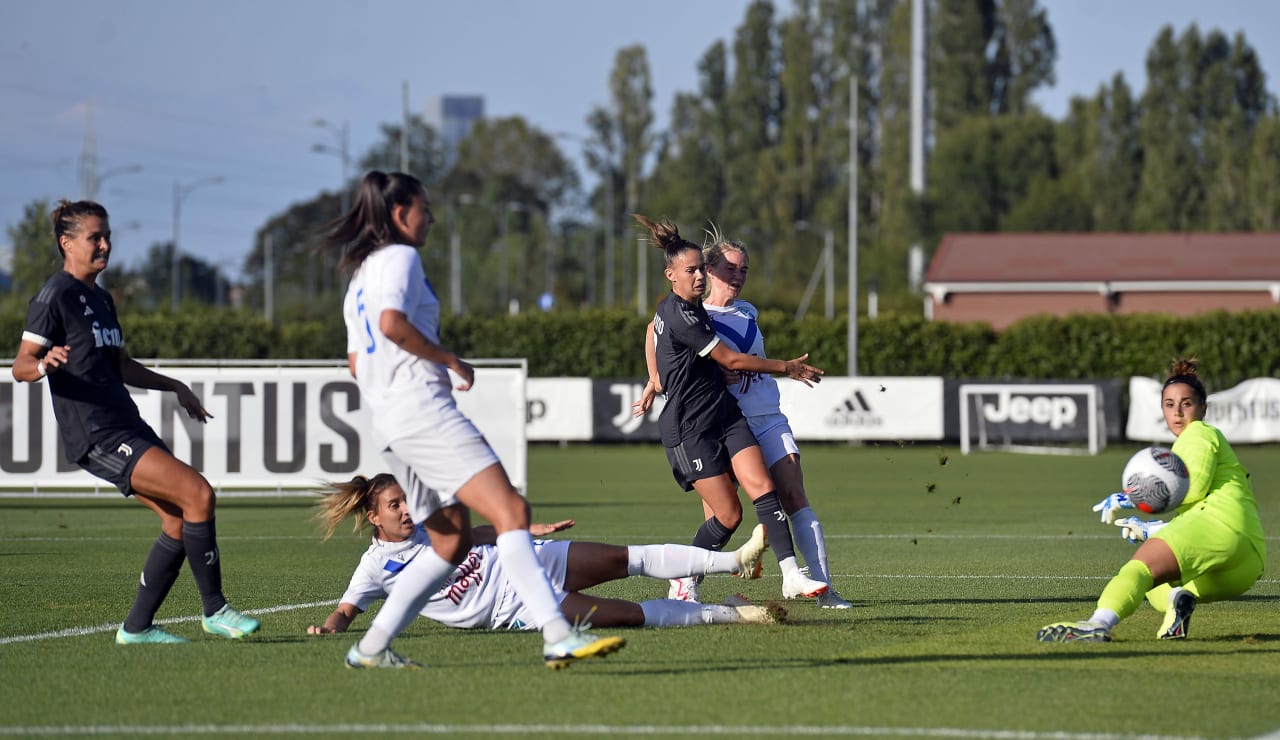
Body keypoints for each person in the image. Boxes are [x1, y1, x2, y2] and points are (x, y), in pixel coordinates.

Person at [330, 171, 623, 670]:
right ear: (401, 214)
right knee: (511, 512)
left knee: (449, 542)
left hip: (389, 424)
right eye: (425, 207)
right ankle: (557, 635)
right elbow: (392, 325)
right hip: (422, 411)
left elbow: (358, 362)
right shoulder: (401, 257)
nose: (432, 217)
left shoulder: (359, 277)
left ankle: (372, 647)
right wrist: (449, 360)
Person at [11, 199, 260, 645]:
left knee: (178, 521)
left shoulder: (102, 298)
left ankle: (137, 627)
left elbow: (121, 365)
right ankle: (215, 610)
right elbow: (21, 366)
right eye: (95, 237)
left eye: (107, 235)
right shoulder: (54, 296)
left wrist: (175, 386)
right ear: (67, 243)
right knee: (198, 493)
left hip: (125, 422)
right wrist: (44, 363)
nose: (105, 244)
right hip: (95, 432)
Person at [630, 213, 830, 606]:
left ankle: (797, 577)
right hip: (694, 424)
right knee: (726, 515)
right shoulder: (685, 312)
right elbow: (663, 337)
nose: (736, 275)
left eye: (745, 270)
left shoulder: (736, 311)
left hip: (741, 416)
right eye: (727, 268)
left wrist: (660, 379)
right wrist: (657, 380)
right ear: (687, 272)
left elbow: (714, 356)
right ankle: (686, 578)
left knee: (775, 491)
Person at [305, 474, 784, 637]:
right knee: (633, 616)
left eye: (407, 498)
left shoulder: (434, 525)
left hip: (532, 561)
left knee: (626, 558)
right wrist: (328, 627)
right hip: (519, 608)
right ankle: (731, 614)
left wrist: (526, 529)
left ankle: (735, 560)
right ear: (374, 516)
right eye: (395, 505)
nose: (407, 509)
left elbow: (479, 532)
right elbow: (347, 611)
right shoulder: (374, 567)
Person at [1037, 357, 1266, 642]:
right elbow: (1198, 511)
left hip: (1220, 527)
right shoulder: (1204, 439)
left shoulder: (1197, 433)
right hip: (1246, 562)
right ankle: (1176, 609)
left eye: (1187, 403)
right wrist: (1152, 529)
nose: (1178, 412)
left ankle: (1097, 624)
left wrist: (1130, 496)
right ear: (1162, 409)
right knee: (1158, 588)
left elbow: (1191, 488)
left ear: (1203, 408)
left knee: (1139, 568)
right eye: (1169, 405)